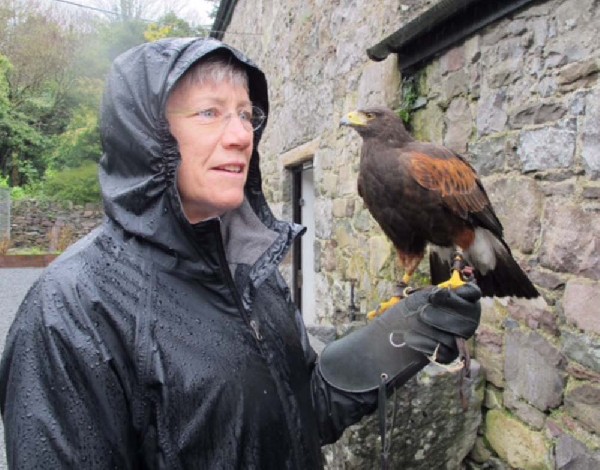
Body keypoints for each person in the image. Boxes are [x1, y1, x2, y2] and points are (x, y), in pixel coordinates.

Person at [0, 37, 481, 469]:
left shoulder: (251, 269)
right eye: (209, 113)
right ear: (145, 133)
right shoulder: (70, 311)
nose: (240, 135)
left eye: (247, 115)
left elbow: (302, 414)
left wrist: (407, 333)